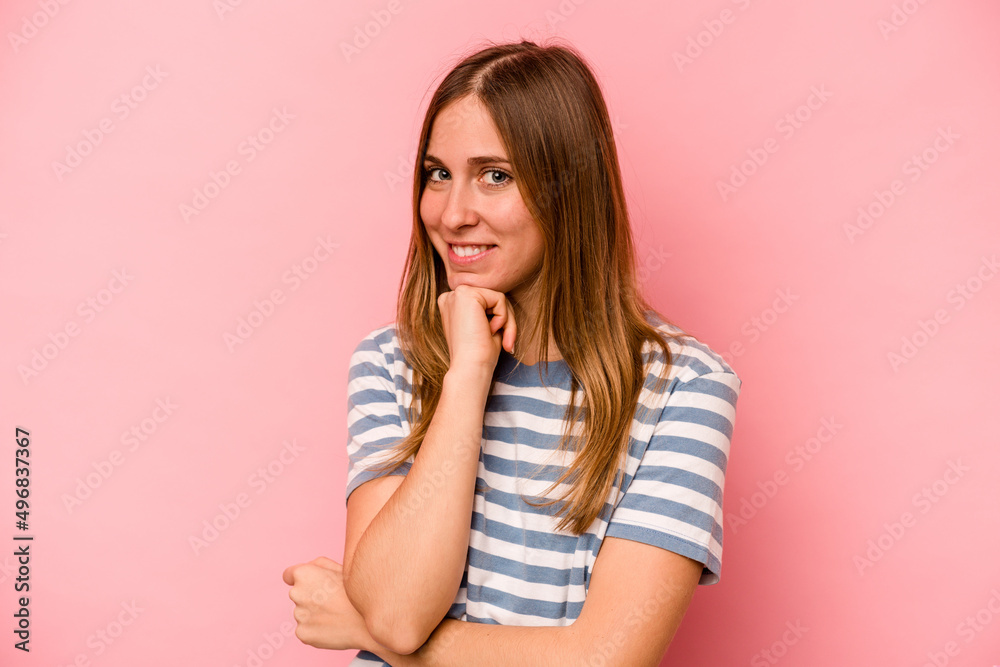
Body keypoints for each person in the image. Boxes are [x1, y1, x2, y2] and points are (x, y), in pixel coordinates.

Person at [282, 39, 742, 666]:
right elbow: (395, 609)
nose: (452, 213)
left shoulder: (683, 388)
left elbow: (604, 660)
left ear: (568, 192)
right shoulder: (391, 362)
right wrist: (467, 375)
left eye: (495, 176)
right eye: (438, 174)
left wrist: (365, 629)